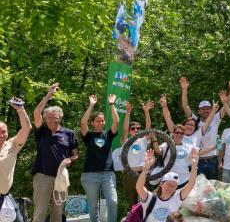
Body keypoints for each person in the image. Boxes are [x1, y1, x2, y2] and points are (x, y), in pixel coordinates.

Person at [31, 83, 80, 222]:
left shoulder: (69, 133)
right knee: (40, 212)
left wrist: (71, 159)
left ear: (60, 118)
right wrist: (49, 94)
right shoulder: (42, 131)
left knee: (57, 214)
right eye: (49, 117)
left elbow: (76, 153)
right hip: (42, 176)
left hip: (61, 178)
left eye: (55, 117)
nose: (52, 120)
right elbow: (36, 113)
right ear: (45, 119)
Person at [180, 77, 230, 180]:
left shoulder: (215, 118)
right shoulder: (194, 121)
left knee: (212, 187)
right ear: (199, 111)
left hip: (212, 159)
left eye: (208, 108)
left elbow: (227, 105)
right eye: (203, 109)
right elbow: (185, 106)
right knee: (197, 187)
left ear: (211, 109)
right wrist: (184, 90)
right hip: (197, 159)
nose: (205, 111)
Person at [79, 94, 120, 222]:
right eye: (97, 120)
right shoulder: (88, 136)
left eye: (102, 120)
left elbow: (116, 122)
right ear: (93, 123)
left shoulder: (108, 134)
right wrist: (91, 105)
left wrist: (112, 104)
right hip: (90, 175)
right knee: (92, 206)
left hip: (108, 174)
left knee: (113, 202)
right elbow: (83, 122)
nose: (100, 123)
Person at [136, 149, 198, 222]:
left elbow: (190, 184)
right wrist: (146, 168)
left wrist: (194, 166)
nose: (171, 187)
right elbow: (139, 187)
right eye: (168, 184)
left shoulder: (176, 199)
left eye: (174, 186)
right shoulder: (150, 198)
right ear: (162, 184)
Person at [117, 100, 153, 209]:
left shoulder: (144, 140)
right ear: (130, 131)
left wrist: (146, 112)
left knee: (146, 202)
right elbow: (124, 129)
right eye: (133, 128)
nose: (136, 130)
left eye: (138, 128)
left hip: (143, 173)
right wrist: (128, 113)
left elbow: (149, 127)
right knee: (131, 204)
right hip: (129, 174)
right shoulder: (125, 141)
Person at [1, 97, 32, 222]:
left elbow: (26, 128)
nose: (1, 135)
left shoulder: (12, 145)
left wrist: (21, 109)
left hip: (4, 197)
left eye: (4, 132)